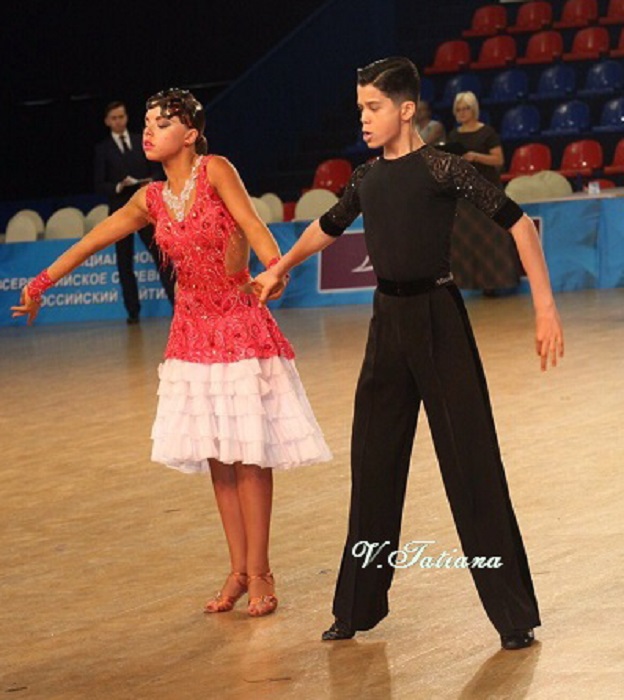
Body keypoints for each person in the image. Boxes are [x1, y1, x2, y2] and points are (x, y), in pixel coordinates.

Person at [253, 57, 564, 650]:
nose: (364, 119)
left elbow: (520, 224)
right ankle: (355, 608)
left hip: (439, 319)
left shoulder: (444, 168)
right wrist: (281, 267)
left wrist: (544, 307)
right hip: (387, 326)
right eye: (360, 109)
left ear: (405, 109)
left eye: (373, 108)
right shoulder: (367, 178)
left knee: (471, 466)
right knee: (372, 466)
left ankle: (512, 615)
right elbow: (328, 225)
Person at [13, 88, 332, 617]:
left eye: (162, 123)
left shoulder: (216, 170)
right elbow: (93, 240)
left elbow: (253, 224)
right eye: (147, 122)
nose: (149, 130)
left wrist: (274, 268)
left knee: (249, 455)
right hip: (191, 334)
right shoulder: (150, 199)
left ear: (190, 134)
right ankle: (236, 571)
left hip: (238, 323)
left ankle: (261, 572)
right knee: (218, 457)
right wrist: (40, 283)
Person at [95, 100, 176, 324]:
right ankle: (133, 311)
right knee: (124, 262)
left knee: (161, 256)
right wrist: (118, 186)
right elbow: (99, 184)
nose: (118, 121)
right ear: (107, 121)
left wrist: (151, 181)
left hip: (145, 208)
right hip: (120, 211)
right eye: (114, 118)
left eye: (121, 116)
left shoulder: (141, 140)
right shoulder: (103, 150)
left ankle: (177, 304)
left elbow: (157, 168)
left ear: (127, 117)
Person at [447, 91, 522, 295]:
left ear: (474, 110)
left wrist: (475, 157)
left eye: (465, 109)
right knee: (467, 239)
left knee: (494, 237)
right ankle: (470, 282)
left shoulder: (487, 133)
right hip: (465, 193)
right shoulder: (453, 136)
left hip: (488, 190)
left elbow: (498, 160)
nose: (462, 113)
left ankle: (495, 284)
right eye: (458, 110)